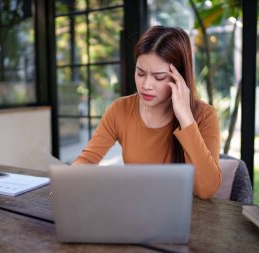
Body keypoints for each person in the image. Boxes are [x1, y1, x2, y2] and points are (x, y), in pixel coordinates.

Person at [73, 26, 221, 200]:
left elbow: (207, 190)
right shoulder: (120, 109)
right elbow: (87, 159)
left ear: (179, 78)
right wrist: (68, 181)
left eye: (159, 77)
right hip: (136, 210)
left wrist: (186, 118)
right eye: (140, 73)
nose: (146, 84)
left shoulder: (204, 115)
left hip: (185, 217)